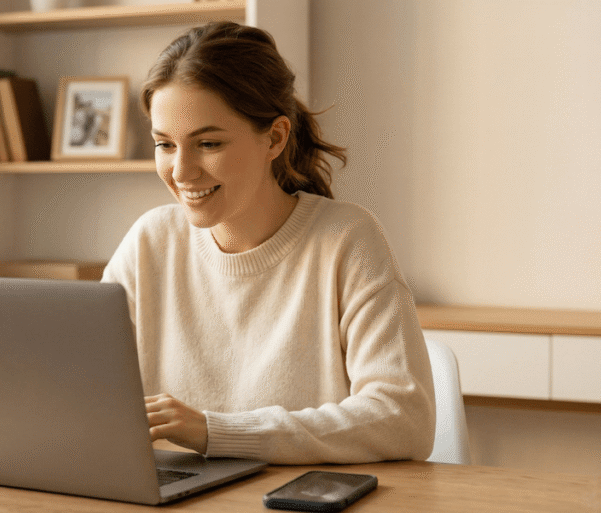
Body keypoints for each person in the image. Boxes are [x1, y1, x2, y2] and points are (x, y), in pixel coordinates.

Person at [101, 22, 436, 465]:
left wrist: (214, 431)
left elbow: (404, 418)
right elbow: (77, 388)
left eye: (207, 143)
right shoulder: (149, 241)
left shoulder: (346, 240)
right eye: (165, 144)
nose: (181, 171)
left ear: (275, 138)